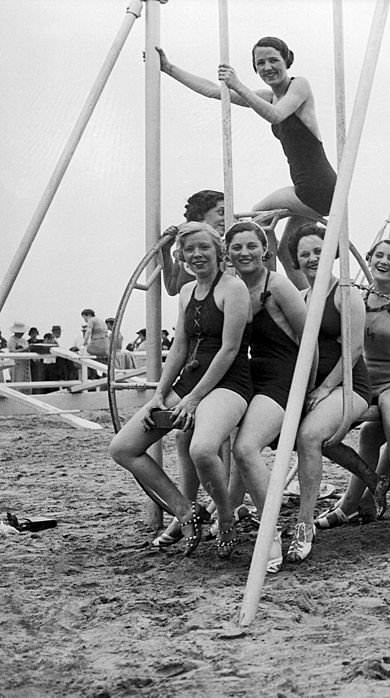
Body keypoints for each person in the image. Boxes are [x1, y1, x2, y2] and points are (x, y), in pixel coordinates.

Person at [108, 223, 252, 557]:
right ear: (182, 256)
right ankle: (186, 512)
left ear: (219, 252)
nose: (197, 255)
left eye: (204, 248)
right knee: (123, 447)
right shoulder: (187, 291)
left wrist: (194, 398)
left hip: (229, 381)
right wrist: (161, 393)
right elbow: (180, 347)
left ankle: (226, 518)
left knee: (202, 449)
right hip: (189, 380)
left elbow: (229, 350)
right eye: (189, 250)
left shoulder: (233, 289)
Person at [157, 38, 336, 287]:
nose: (267, 67)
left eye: (273, 60)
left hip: (317, 187)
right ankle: (311, 299)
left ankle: (267, 285)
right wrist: (169, 68)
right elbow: (213, 91)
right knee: (286, 251)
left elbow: (276, 115)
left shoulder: (299, 86)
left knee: (259, 216)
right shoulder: (267, 97)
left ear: (287, 60)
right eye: (260, 63)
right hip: (309, 191)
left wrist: (239, 84)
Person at [317, 239, 390, 542]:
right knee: (340, 431)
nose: (384, 261)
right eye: (379, 255)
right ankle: (353, 501)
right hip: (363, 378)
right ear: (370, 259)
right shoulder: (357, 295)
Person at [286, 223, 372, 562]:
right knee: (287, 435)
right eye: (304, 253)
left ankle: (304, 524)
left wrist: (324, 388)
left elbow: (353, 349)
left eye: (318, 252)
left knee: (309, 437)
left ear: (333, 254)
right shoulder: (303, 298)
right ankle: (370, 481)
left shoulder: (345, 293)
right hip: (316, 387)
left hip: (350, 383)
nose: (311, 258)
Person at [224, 222, 307, 566]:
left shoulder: (279, 286)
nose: (245, 252)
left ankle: (269, 532)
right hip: (251, 377)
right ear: (227, 253)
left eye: (251, 246)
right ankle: (225, 516)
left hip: (285, 376)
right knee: (221, 444)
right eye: (237, 247)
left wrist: (308, 389)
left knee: (245, 448)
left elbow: (309, 342)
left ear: (265, 250)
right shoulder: (231, 288)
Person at [160, 190, 226, 296]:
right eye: (221, 213)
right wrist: (165, 249)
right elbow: (172, 288)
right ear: (200, 215)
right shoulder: (184, 250)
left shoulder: (229, 249)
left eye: (204, 247)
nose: (226, 219)